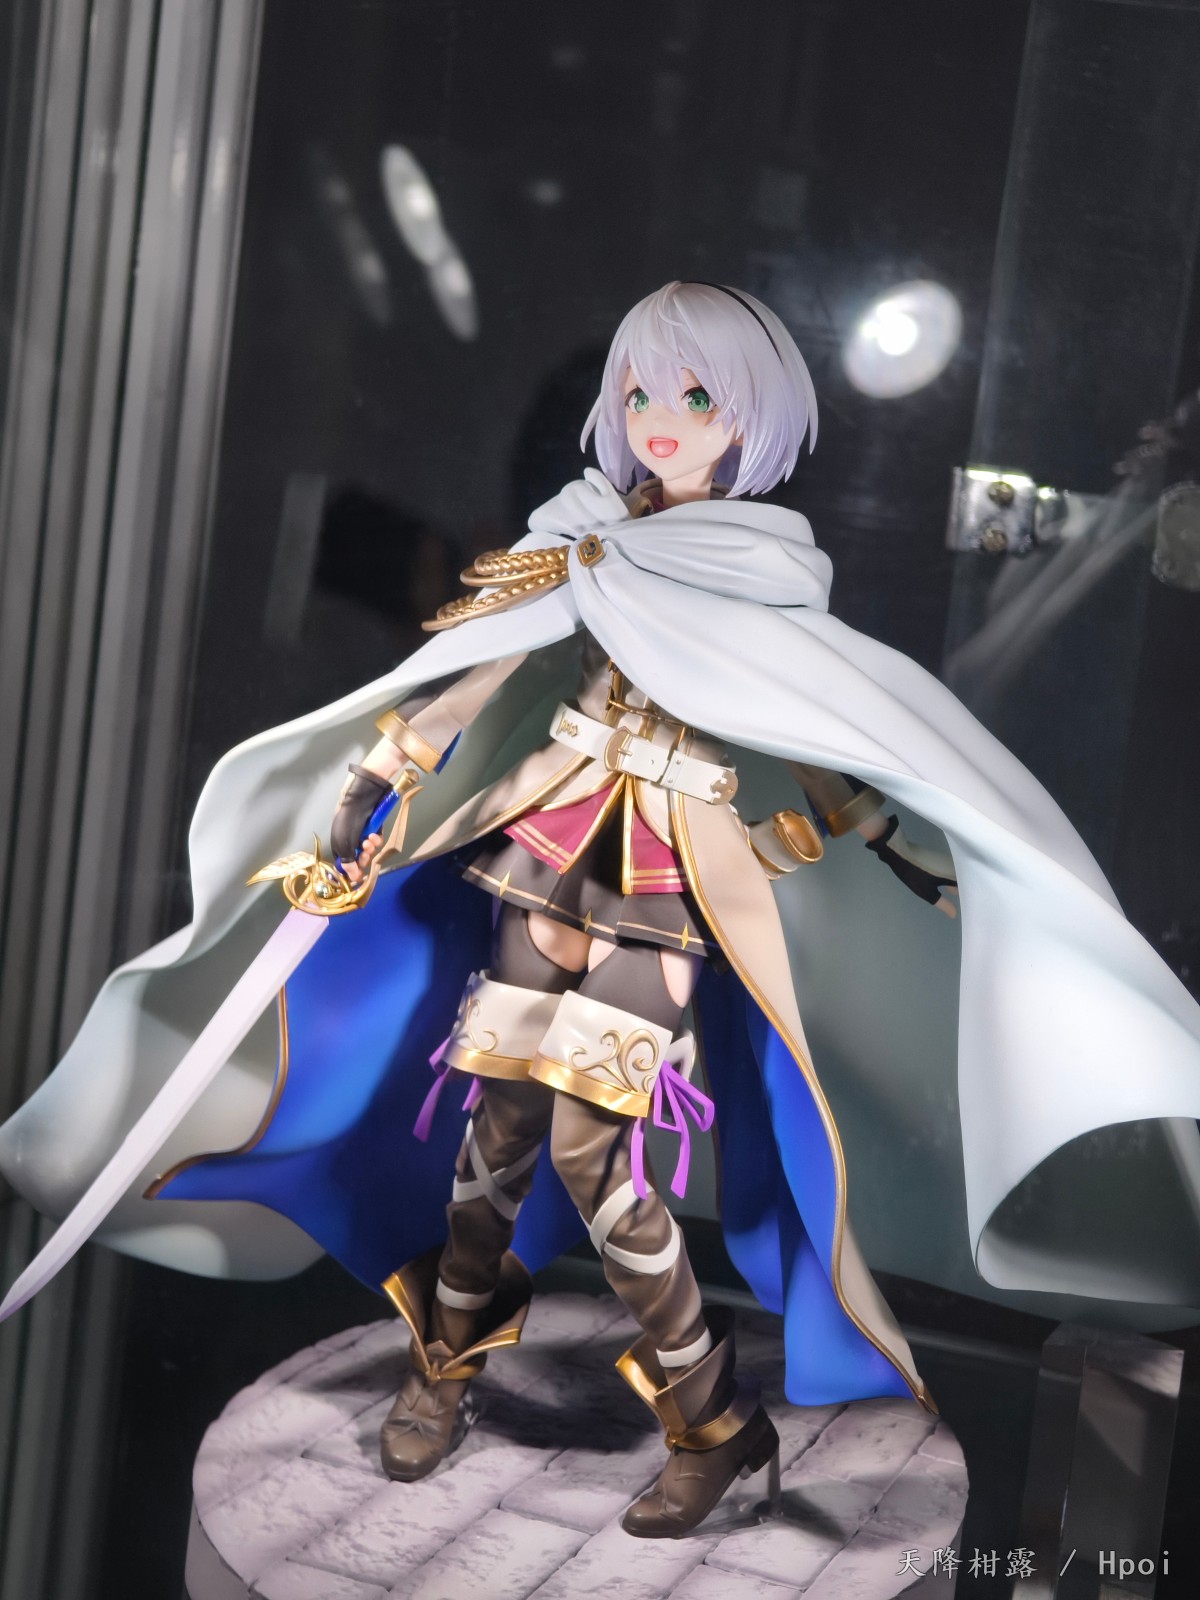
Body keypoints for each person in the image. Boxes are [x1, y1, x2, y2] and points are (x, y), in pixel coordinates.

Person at [4, 282, 1200, 1539]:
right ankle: (446, 1361)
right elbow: (484, 672)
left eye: (695, 395)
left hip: (664, 888)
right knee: (499, 1126)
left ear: (749, 417)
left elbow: (822, 723)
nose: (660, 418)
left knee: (591, 1151)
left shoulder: (758, 568)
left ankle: (710, 1420)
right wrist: (385, 769)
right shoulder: (587, 539)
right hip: (544, 849)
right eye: (639, 393)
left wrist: (911, 849)